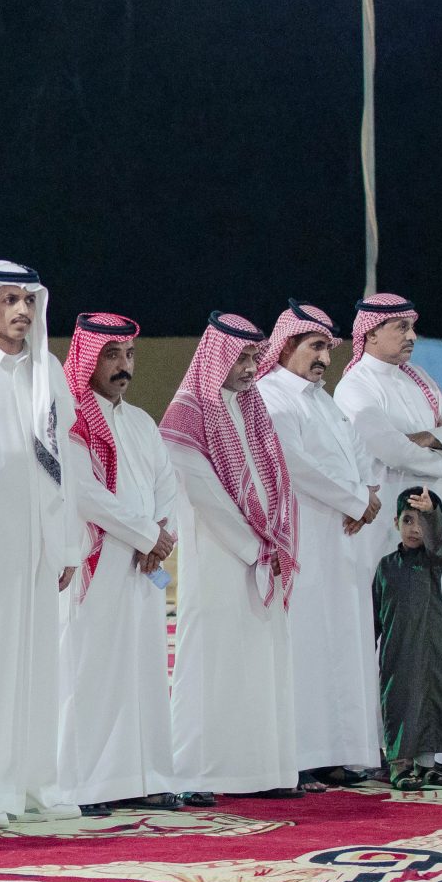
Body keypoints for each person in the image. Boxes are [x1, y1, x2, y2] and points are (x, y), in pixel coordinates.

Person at [0, 262, 76, 827]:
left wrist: (66, 543)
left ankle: (35, 785)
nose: (22, 310)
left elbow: (64, 462)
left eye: (28, 300)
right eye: (9, 300)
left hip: (39, 541)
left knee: (40, 665)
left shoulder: (48, 369)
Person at [46, 312, 186, 814]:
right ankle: (83, 786)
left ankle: (144, 777)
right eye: (111, 355)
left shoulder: (142, 422)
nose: (123, 366)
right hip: (96, 564)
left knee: (143, 671)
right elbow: (84, 494)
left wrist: (159, 537)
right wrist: (148, 535)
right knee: (91, 672)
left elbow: (167, 484)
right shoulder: (71, 419)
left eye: (128, 355)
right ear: (88, 358)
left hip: (142, 568)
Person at [334, 293, 442, 766]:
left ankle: (429, 746)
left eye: (413, 327)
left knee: (436, 629)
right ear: (371, 333)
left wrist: (433, 440)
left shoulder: (419, 380)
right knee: (393, 635)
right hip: (386, 530)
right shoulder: (356, 386)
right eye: (401, 327)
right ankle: (385, 746)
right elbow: (389, 449)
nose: (412, 336)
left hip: (434, 524)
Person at [161, 313, 299, 799]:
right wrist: (254, 547)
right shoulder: (187, 414)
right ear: (216, 357)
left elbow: (275, 478)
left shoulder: (252, 407)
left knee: (260, 662)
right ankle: (196, 773)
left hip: (262, 556)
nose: (249, 367)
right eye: (240, 357)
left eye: (254, 357)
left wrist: (275, 541)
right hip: (219, 557)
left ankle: (260, 772)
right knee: (212, 663)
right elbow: (205, 496)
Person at [254, 302, 382, 790]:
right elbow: (293, 464)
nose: (325, 358)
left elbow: (358, 451)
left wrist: (367, 492)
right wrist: (355, 499)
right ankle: (301, 754)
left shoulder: (323, 401)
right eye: (315, 346)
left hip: (343, 541)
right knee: (306, 644)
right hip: (304, 538)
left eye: (329, 347)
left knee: (341, 643)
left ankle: (334, 751)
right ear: (286, 345)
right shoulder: (271, 396)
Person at [373, 486, 442, 791]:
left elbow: (438, 543)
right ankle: (399, 765)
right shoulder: (386, 566)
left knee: (432, 701)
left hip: (431, 649)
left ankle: (426, 765)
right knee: (400, 703)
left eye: (423, 522)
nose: (415, 529)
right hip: (397, 653)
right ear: (395, 522)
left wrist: (432, 513)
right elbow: (375, 614)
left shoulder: (434, 561)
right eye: (408, 520)